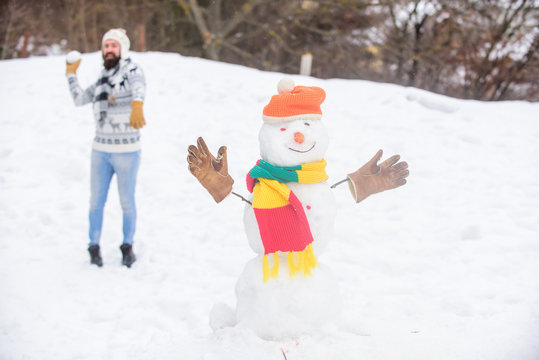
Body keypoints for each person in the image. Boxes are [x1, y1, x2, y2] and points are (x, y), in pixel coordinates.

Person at [65, 28, 146, 268]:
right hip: (100, 151)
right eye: (106, 46)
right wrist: (71, 75)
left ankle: (127, 246)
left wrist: (138, 103)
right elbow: (80, 99)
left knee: (126, 202)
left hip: (128, 152)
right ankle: (94, 245)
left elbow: (139, 86)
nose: (109, 49)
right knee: (95, 202)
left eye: (114, 45)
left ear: (122, 49)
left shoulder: (132, 71)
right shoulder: (101, 79)